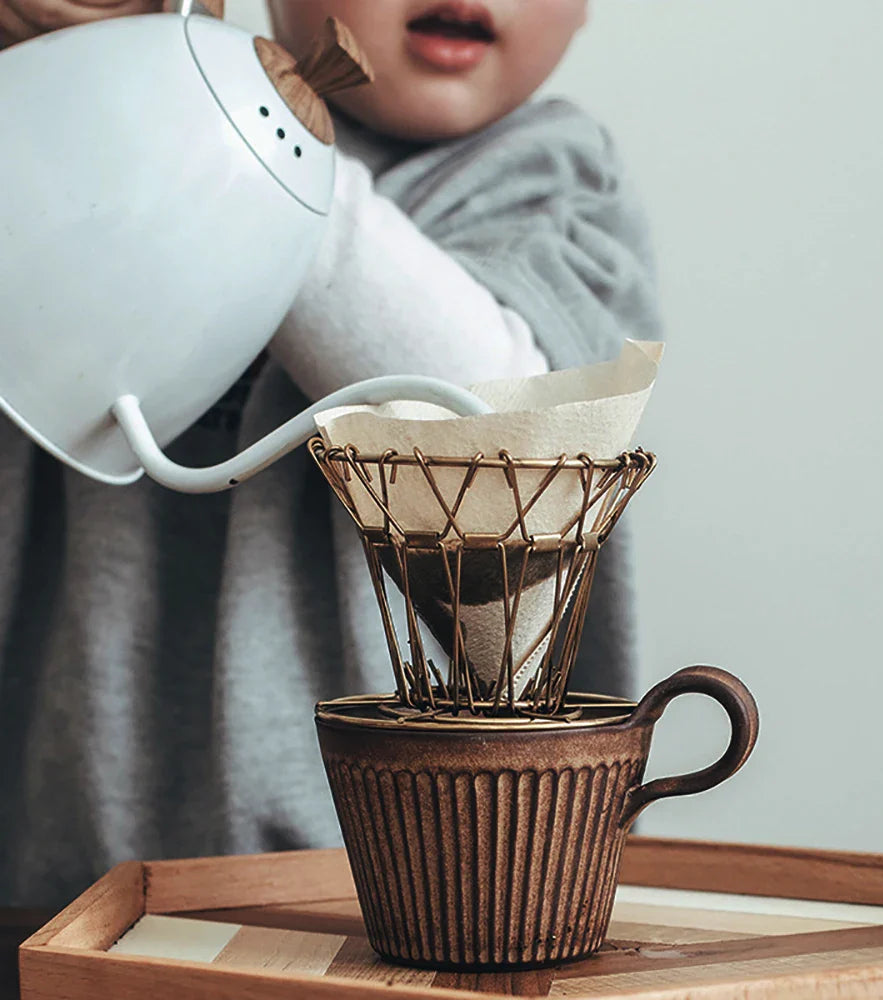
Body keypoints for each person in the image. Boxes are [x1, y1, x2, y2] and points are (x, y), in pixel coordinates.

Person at [0, 0, 662, 909]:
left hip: (403, 910)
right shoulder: (95, 106)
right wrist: (79, 68)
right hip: (55, 887)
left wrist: (244, 132)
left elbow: (498, 423)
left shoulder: (554, 183)